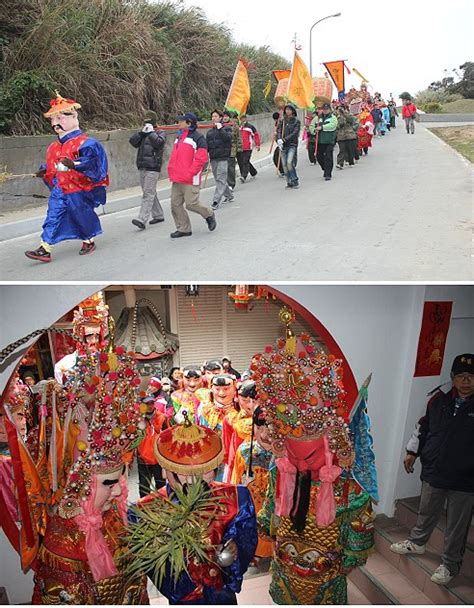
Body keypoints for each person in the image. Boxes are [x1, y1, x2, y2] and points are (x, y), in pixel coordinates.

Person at [256, 312, 376, 604]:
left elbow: (360, 524)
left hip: (326, 569)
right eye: (292, 444)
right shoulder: (280, 471)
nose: (300, 454)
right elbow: (272, 509)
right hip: (286, 562)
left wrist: (349, 558)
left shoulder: (345, 482)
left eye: (307, 446)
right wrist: (265, 528)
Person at [130, 415, 257, 604]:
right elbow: (158, 573)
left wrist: (234, 548)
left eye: (203, 470)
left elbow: (244, 542)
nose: (194, 479)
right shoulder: (146, 511)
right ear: (165, 469)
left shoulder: (236, 498)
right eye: (184, 471)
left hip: (222, 597)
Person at [390, 354, 474, 585]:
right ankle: (417, 543)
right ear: (453, 378)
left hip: (466, 478)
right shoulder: (439, 399)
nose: (466, 381)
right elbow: (423, 426)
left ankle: (449, 564)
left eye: (471, 377)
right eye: (461, 376)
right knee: (426, 510)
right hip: (435, 469)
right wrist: (411, 452)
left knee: (457, 524)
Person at [24, 93, 108, 263]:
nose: (56, 123)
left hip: (78, 188)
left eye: (60, 118)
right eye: (53, 120)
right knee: (53, 215)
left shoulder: (86, 143)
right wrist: (44, 171)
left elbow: (92, 163)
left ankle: (88, 239)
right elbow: (52, 166)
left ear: (74, 118)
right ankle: (45, 248)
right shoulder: (54, 147)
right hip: (59, 188)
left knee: (81, 214)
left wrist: (75, 164)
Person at [231, 405, 274, 560]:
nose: (264, 434)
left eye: (271, 428)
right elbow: (236, 489)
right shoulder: (244, 451)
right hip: (252, 517)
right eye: (259, 426)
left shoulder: (288, 455)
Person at [167, 112, 216, 238]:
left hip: (190, 178)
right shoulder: (179, 137)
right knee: (175, 204)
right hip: (177, 178)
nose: (178, 123)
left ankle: (208, 214)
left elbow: (201, 159)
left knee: (191, 204)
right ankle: (184, 228)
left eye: (181, 121)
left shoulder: (198, 139)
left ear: (188, 123)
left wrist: (190, 172)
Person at [129, 110, 166, 231]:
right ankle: (158, 215)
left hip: (153, 167)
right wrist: (141, 133)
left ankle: (142, 219)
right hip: (142, 166)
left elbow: (159, 143)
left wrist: (151, 133)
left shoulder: (160, 132)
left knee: (147, 193)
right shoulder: (143, 133)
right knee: (149, 192)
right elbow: (133, 142)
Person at [206, 109, 234, 210]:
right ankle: (229, 195)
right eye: (213, 116)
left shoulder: (227, 128)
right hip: (213, 158)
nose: (214, 118)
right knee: (218, 179)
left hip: (223, 157)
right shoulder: (209, 132)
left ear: (221, 118)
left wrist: (220, 129)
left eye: (216, 116)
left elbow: (228, 138)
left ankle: (216, 200)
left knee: (221, 178)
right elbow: (207, 145)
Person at [310, 103, 338, 181]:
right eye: (324, 109)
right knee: (319, 157)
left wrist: (322, 127)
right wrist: (314, 131)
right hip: (319, 141)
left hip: (329, 141)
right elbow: (312, 126)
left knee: (328, 157)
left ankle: (328, 174)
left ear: (329, 109)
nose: (325, 111)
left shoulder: (333, 118)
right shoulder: (317, 118)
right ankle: (325, 168)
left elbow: (333, 126)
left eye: (327, 109)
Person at [276, 103, 301, 189]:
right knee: (284, 165)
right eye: (286, 109)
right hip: (283, 146)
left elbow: (295, 133)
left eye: (289, 109)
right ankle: (289, 181)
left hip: (292, 145)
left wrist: (284, 140)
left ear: (293, 111)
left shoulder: (296, 121)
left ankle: (295, 180)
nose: (288, 111)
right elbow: (279, 131)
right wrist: (278, 140)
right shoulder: (282, 121)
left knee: (289, 162)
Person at [237, 114, 261, 182]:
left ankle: (243, 176)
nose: (243, 120)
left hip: (248, 147)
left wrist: (257, 145)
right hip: (240, 147)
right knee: (243, 161)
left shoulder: (250, 127)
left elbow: (256, 135)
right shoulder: (238, 127)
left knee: (245, 161)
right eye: (241, 118)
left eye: (244, 118)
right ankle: (253, 172)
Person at [223, 110, 242, 191]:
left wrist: (239, 148)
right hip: (222, 149)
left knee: (231, 167)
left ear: (229, 117)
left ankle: (231, 184)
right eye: (223, 116)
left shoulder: (234, 126)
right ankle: (225, 184)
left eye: (226, 116)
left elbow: (238, 137)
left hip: (232, 149)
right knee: (223, 167)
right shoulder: (219, 126)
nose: (225, 118)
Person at [271, 111, 285, 177]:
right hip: (279, 143)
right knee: (276, 157)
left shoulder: (283, 123)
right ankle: (283, 171)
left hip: (284, 143)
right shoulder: (277, 123)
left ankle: (284, 171)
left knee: (277, 158)